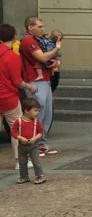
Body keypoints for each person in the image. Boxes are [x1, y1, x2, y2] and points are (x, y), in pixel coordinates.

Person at [20, 16, 61, 156]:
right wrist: (57, 49)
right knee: (38, 111)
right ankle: (34, 144)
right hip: (35, 80)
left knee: (47, 112)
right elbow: (42, 58)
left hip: (45, 79)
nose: (42, 29)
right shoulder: (28, 40)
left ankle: (42, 144)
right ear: (30, 27)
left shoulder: (38, 40)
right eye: (39, 26)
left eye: (42, 26)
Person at [0, 24, 34, 169]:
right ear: (14, 37)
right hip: (8, 97)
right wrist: (29, 86)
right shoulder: (12, 56)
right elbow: (17, 82)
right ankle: (19, 161)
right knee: (17, 129)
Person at [12, 98, 45, 184]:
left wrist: (34, 138)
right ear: (27, 111)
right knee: (22, 162)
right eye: (35, 110)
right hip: (22, 145)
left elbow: (40, 132)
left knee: (36, 161)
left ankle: (39, 176)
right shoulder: (18, 121)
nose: (37, 113)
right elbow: (13, 132)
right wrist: (20, 138)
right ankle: (24, 176)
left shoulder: (36, 122)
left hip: (33, 145)